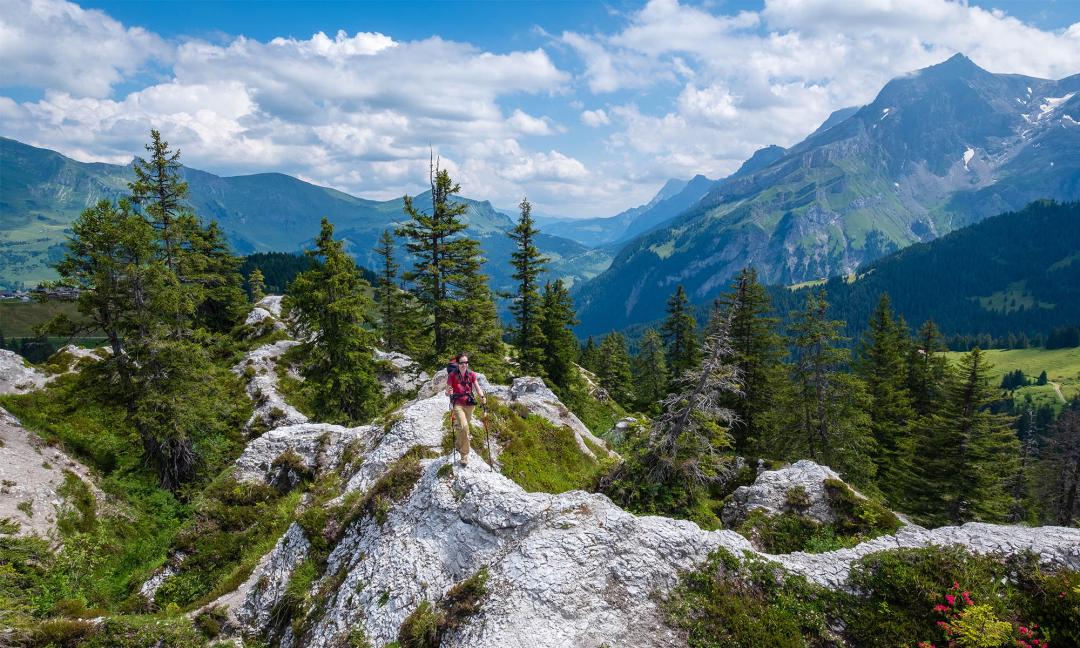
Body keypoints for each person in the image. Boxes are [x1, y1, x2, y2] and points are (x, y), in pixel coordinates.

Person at [446, 353, 486, 466]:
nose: (464, 365)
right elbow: (447, 390)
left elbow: (477, 387)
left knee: (463, 427)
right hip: (458, 404)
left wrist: (482, 397)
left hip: (470, 404)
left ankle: (458, 444)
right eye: (462, 363)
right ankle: (464, 455)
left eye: (466, 362)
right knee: (465, 427)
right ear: (458, 364)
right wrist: (448, 392)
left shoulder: (471, 374)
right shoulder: (452, 375)